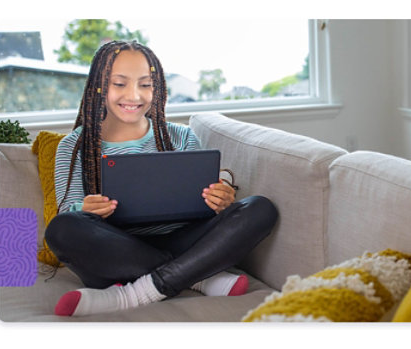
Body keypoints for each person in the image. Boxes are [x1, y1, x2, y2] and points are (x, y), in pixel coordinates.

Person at [45, 40, 278, 317]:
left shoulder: (181, 137)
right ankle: (197, 275)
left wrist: (221, 201)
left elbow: (204, 206)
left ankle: (134, 293)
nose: (134, 95)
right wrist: (85, 209)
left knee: (260, 208)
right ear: (98, 86)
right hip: (117, 252)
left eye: (145, 84)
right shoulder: (75, 146)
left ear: (157, 89)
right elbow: (69, 211)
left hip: (181, 239)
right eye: (119, 83)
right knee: (61, 229)